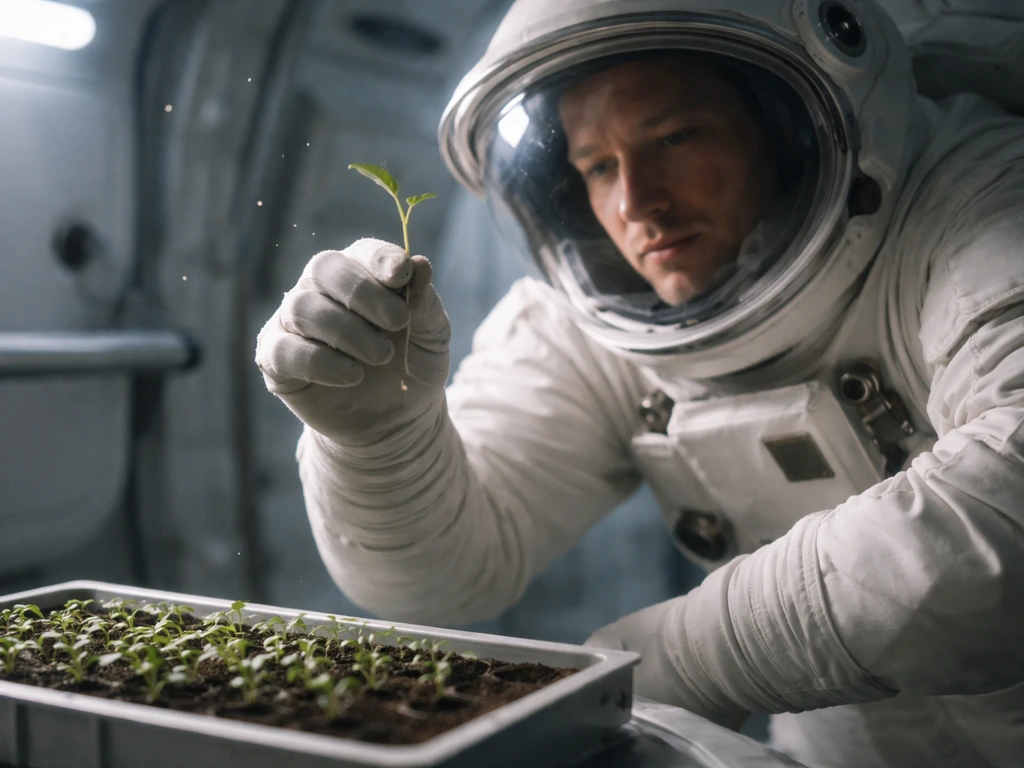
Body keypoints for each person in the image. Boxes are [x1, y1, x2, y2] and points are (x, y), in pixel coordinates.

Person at [255, 1, 1024, 765]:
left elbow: (1003, 513)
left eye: (675, 136)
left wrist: (680, 659)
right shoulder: (600, 318)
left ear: (784, 123)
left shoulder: (979, 198)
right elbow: (444, 578)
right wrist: (377, 439)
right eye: (596, 167)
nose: (636, 204)